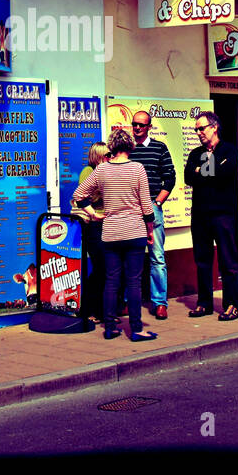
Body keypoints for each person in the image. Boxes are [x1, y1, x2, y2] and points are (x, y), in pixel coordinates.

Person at [72, 128, 157, 342]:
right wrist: (150, 230)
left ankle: (109, 328)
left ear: (112, 147)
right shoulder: (138, 169)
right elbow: (147, 205)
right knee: (134, 282)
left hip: (110, 232)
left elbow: (78, 195)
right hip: (134, 230)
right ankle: (136, 330)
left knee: (111, 280)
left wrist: (92, 213)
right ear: (130, 146)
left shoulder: (102, 170)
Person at [184, 111, 238, 320]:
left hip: (223, 214)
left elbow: (225, 173)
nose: (198, 132)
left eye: (202, 128)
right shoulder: (194, 153)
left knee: (228, 261)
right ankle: (204, 303)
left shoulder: (230, 150)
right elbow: (188, 176)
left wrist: (202, 171)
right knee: (202, 261)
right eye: (196, 129)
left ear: (214, 127)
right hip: (200, 215)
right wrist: (206, 170)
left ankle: (233, 305)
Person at [128, 111, 176, 320]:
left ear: (149, 126)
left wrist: (157, 202)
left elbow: (170, 178)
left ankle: (159, 303)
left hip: (152, 208)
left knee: (157, 256)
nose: (137, 128)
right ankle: (131, 302)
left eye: (141, 125)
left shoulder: (159, 148)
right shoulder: (127, 150)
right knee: (131, 257)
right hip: (130, 210)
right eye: (134, 124)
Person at [74, 142, 110, 323]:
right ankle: (89, 309)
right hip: (94, 225)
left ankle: (104, 311)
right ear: (98, 157)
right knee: (101, 267)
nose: (109, 158)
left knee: (108, 268)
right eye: (106, 155)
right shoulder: (89, 172)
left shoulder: (107, 171)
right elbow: (83, 198)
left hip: (108, 224)